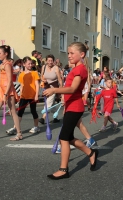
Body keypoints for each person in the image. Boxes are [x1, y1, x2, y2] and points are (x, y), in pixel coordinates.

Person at [43, 42, 98, 180]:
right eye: (68, 53)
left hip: (76, 107)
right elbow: (70, 91)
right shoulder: (75, 69)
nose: (69, 55)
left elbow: (73, 89)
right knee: (68, 137)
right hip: (70, 106)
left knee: (64, 138)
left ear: (82, 54)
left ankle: (64, 169)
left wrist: (54, 90)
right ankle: (91, 152)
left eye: (72, 53)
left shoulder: (80, 70)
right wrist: (65, 103)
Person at [6, 56, 40, 135]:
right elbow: (21, 86)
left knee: (33, 111)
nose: (30, 65)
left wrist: (36, 95)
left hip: (32, 95)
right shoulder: (21, 74)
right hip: (24, 96)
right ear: (24, 64)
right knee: (20, 112)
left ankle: (36, 126)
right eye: (28, 64)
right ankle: (15, 128)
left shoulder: (34, 73)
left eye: (31, 63)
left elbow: (37, 85)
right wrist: (20, 95)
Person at [39, 54, 63, 124]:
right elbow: (41, 76)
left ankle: (43, 117)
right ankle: (55, 118)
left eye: (51, 61)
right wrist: (43, 80)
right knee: (51, 103)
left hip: (53, 88)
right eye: (48, 60)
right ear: (46, 61)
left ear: (53, 61)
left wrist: (61, 90)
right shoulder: (44, 67)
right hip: (46, 87)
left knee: (48, 102)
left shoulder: (56, 68)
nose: (50, 62)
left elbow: (60, 79)